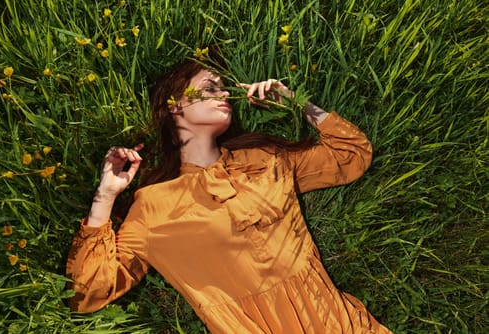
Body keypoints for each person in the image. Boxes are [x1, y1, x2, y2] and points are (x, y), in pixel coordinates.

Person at [66, 56, 392, 333]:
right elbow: (87, 293)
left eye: (222, 88)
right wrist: (105, 196)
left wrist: (298, 104)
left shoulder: (265, 159)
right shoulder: (155, 206)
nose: (222, 93)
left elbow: (351, 156)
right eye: (209, 88)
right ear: (173, 105)